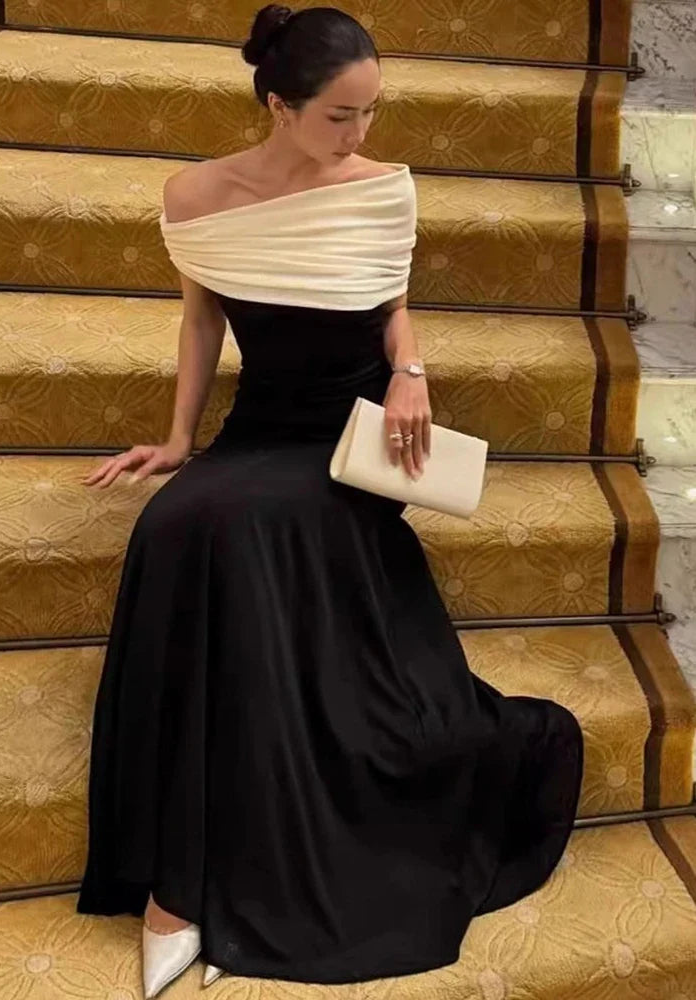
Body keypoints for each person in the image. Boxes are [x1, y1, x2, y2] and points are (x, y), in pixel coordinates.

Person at [76, 4, 584, 997]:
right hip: (260, 428)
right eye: (340, 116)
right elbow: (200, 323)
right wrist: (179, 440)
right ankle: (184, 873)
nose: (360, 134)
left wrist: (412, 375)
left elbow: (393, 304)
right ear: (279, 106)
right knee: (175, 525)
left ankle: (199, 887)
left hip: (352, 441)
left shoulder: (383, 188)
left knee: (241, 531)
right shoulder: (195, 195)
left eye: (371, 111)